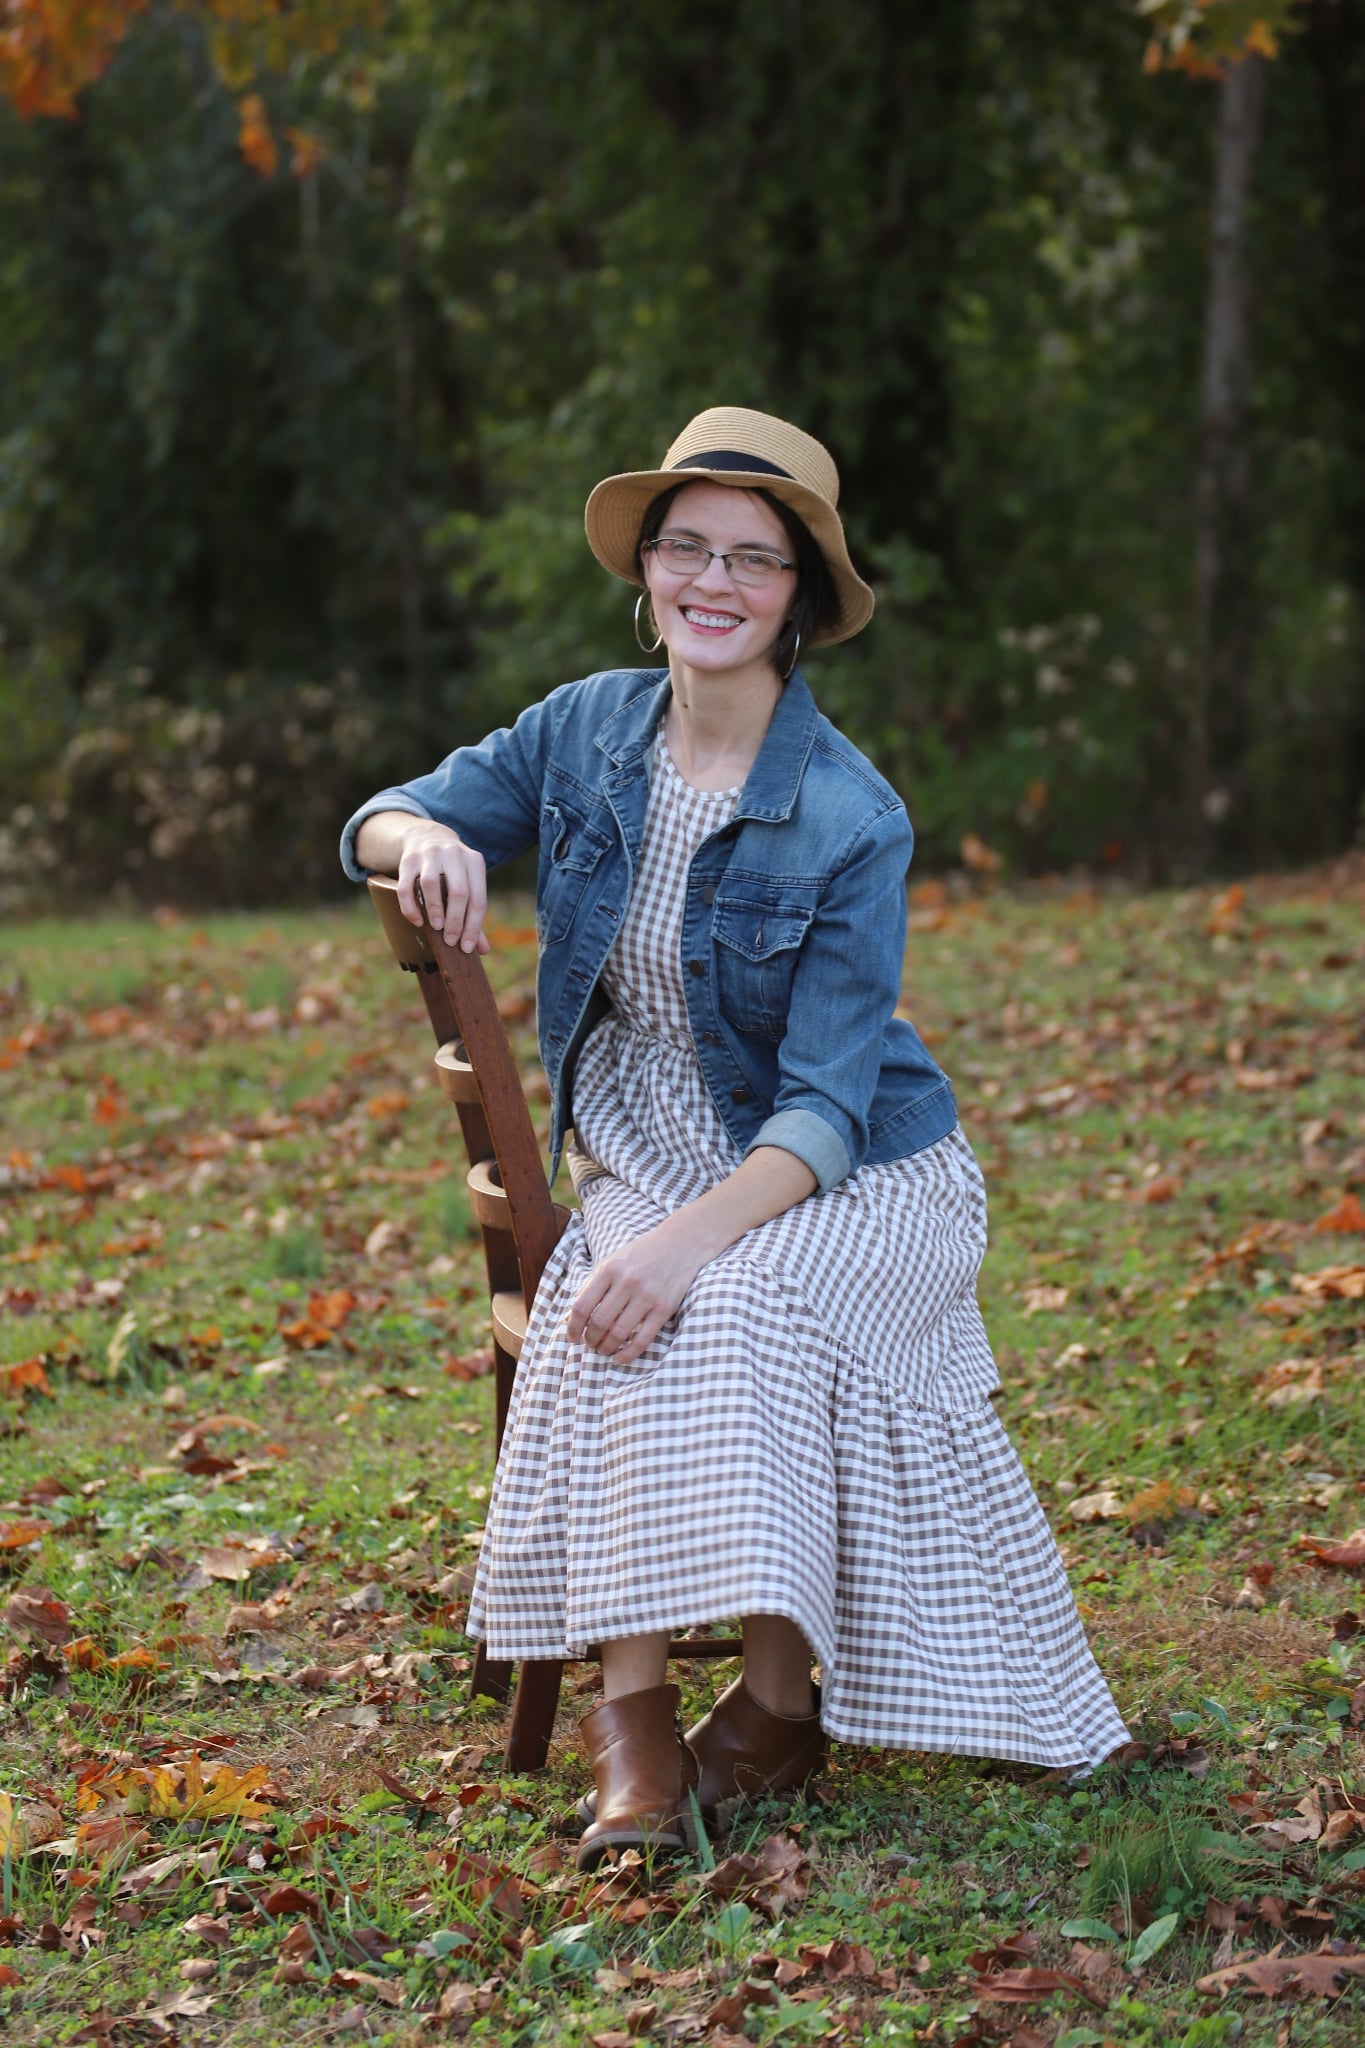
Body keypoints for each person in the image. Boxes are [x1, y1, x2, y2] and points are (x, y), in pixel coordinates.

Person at [341, 406, 1128, 1869]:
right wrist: (427, 836)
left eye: (753, 559)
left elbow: (825, 1109)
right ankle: (634, 1722)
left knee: (723, 1294)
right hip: (645, 1138)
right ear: (645, 570)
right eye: (686, 547)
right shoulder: (585, 729)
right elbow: (380, 817)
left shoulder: (848, 814)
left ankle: (770, 1709)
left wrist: (686, 1248)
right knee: (628, 1299)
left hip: (856, 1173)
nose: (714, 581)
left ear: (799, 597)